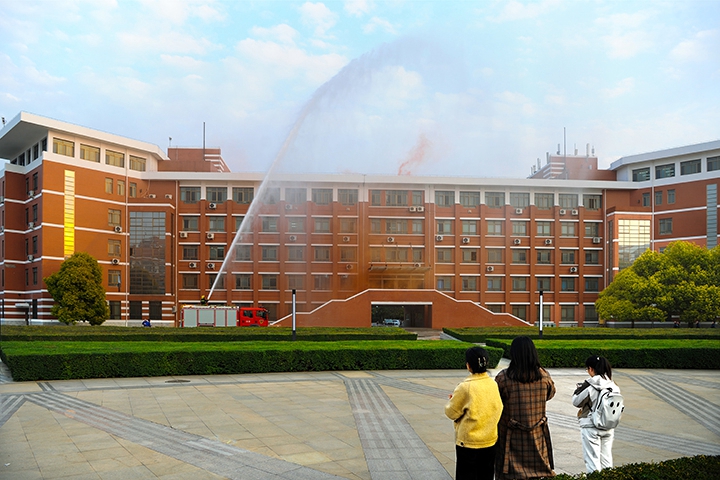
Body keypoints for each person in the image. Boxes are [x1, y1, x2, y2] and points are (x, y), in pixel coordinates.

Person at [494, 336, 556, 479]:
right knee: (536, 472)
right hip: (537, 434)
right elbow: (550, 394)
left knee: (509, 474)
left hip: (510, 436)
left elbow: (496, 401)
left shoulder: (503, 377)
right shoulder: (544, 376)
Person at [445, 347, 504, 480]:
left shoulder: (465, 387)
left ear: (468, 365)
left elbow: (451, 412)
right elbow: (498, 407)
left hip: (468, 443)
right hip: (489, 440)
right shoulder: (493, 384)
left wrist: (452, 401)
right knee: (486, 475)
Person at [571, 356, 620, 473]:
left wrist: (578, 390)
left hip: (591, 425)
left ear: (591, 369)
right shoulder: (614, 386)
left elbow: (576, 401)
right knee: (607, 460)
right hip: (608, 425)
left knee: (592, 461)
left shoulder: (590, 385)